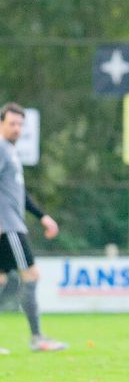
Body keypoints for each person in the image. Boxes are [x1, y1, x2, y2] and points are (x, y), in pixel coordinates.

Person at [0, 102, 66, 354]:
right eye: (12, 123)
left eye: (20, 124)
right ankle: (37, 338)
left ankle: (37, 337)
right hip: (8, 227)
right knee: (31, 275)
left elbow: (19, 193)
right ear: (1, 124)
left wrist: (42, 216)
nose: (16, 128)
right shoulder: (1, 149)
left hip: (11, 225)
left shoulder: (11, 152)